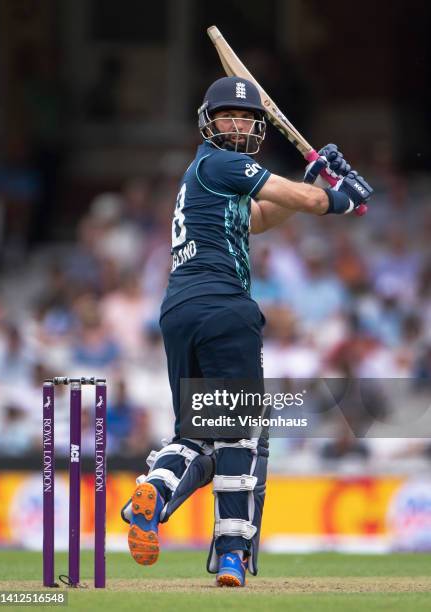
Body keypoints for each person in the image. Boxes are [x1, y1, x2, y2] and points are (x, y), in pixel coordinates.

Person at [121, 76, 373, 587]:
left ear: (256, 127)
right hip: (224, 310)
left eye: (246, 118)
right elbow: (291, 197)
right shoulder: (223, 162)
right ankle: (233, 552)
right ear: (208, 121)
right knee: (241, 435)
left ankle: (152, 492)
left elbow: (259, 216)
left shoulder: (205, 175)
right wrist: (339, 198)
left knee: (195, 435)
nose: (238, 124)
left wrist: (317, 183)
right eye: (228, 116)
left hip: (179, 313)